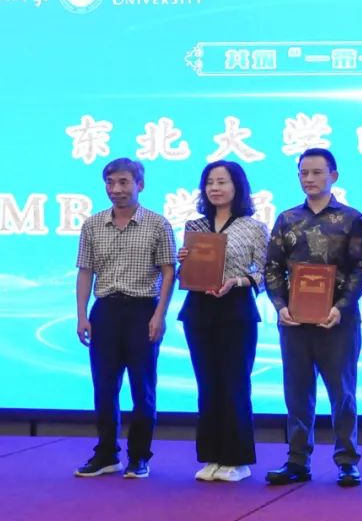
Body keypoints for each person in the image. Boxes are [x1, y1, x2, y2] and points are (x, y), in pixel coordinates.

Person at [263, 148, 362, 487]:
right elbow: (272, 267)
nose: (309, 179)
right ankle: (297, 460)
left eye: (316, 172)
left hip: (338, 321)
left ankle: (347, 461)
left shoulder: (352, 219)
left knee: (343, 394)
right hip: (294, 321)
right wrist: (280, 306)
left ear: (333, 176)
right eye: (303, 173)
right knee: (297, 393)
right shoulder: (287, 219)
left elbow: (361, 268)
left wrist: (341, 307)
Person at [74, 157, 176, 479]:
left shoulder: (158, 224)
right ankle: (106, 454)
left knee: (142, 388)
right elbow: (85, 272)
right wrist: (81, 315)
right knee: (104, 387)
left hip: (142, 310)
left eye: (123, 182)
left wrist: (160, 314)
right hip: (104, 311)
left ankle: (139, 456)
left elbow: (169, 272)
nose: (116, 189)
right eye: (110, 183)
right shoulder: (92, 224)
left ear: (139, 185)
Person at [178, 160, 269, 483]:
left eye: (222, 181)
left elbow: (266, 272)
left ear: (237, 186)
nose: (215, 188)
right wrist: (183, 262)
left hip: (236, 309)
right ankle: (212, 456)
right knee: (207, 384)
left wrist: (238, 282)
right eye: (210, 182)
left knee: (234, 383)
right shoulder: (195, 226)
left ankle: (237, 459)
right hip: (198, 309)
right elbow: (187, 272)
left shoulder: (254, 227)